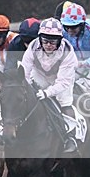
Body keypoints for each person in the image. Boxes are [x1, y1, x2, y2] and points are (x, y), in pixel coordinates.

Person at [20, 17, 80, 153]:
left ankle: (70, 137)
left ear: (60, 40)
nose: (48, 45)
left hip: (61, 77)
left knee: (65, 102)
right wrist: (28, 87)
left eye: (53, 41)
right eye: (45, 41)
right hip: (40, 74)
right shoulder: (33, 46)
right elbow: (24, 72)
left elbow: (63, 82)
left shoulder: (68, 52)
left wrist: (47, 93)